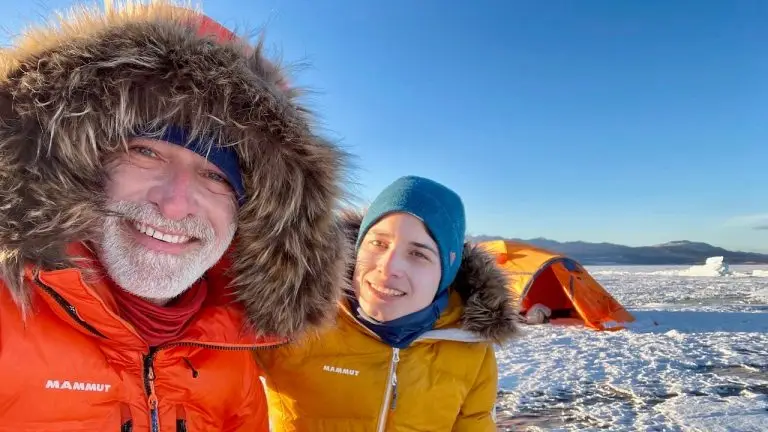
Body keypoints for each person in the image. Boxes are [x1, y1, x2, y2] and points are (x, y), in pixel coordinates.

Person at [0, 2, 348, 431]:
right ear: (83, 163)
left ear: (252, 213)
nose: (175, 204)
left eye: (215, 176)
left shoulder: (230, 351)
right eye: (146, 152)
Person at [256, 175, 521, 431]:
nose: (389, 267)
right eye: (378, 243)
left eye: (418, 253)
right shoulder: (296, 318)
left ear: (446, 272)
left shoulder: (470, 350)